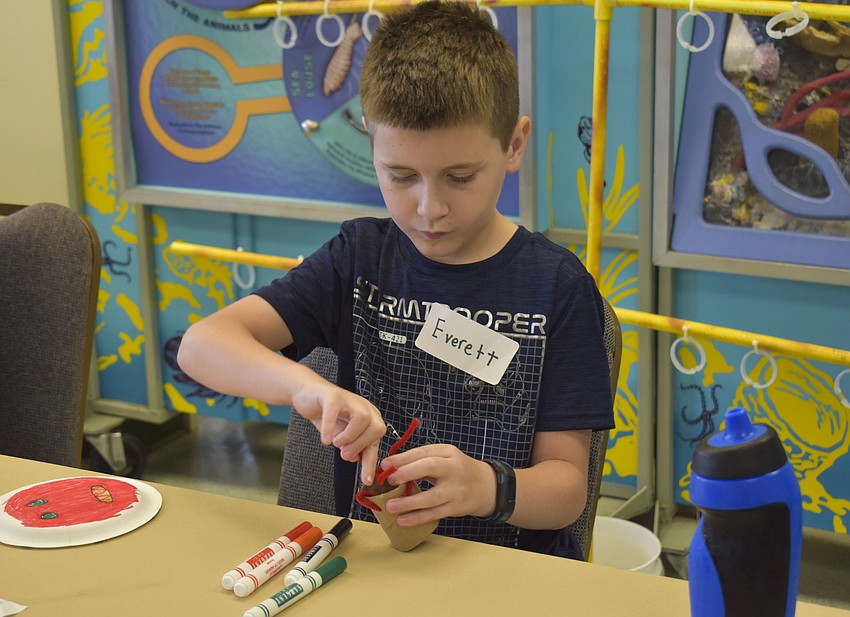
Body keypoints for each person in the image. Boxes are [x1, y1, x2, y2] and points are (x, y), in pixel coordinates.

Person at [178, 0, 613, 560]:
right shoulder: (358, 259)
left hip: (509, 572)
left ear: (513, 144)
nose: (430, 208)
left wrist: (487, 486)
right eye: (401, 175)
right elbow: (202, 345)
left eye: (460, 177)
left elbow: (567, 492)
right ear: (372, 145)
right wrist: (308, 388)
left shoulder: (557, 287)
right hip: (377, 564)